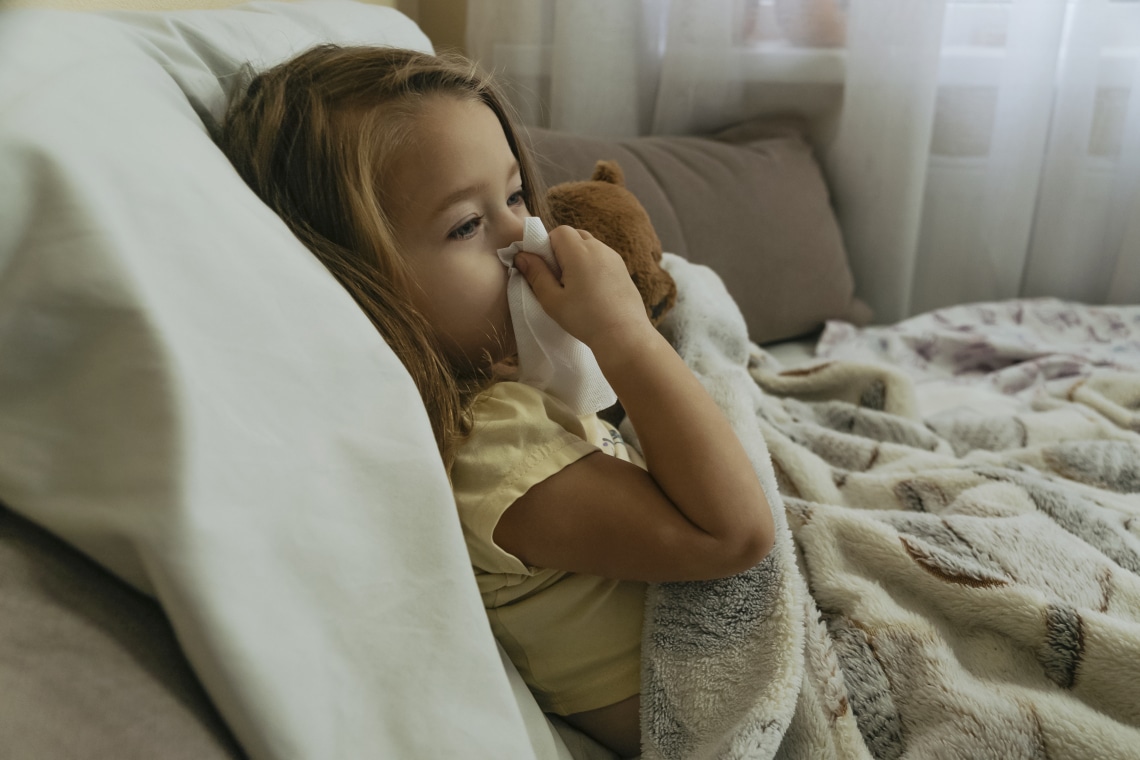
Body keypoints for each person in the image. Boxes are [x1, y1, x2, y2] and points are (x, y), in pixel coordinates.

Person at [218, 45, 774, 758]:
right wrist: (625, 334)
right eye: (465, 226)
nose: (524, 236)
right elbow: (736, 538)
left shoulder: (503, 392)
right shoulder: (487, 448)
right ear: (359, 286)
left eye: (514, 197)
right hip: (709, 708)